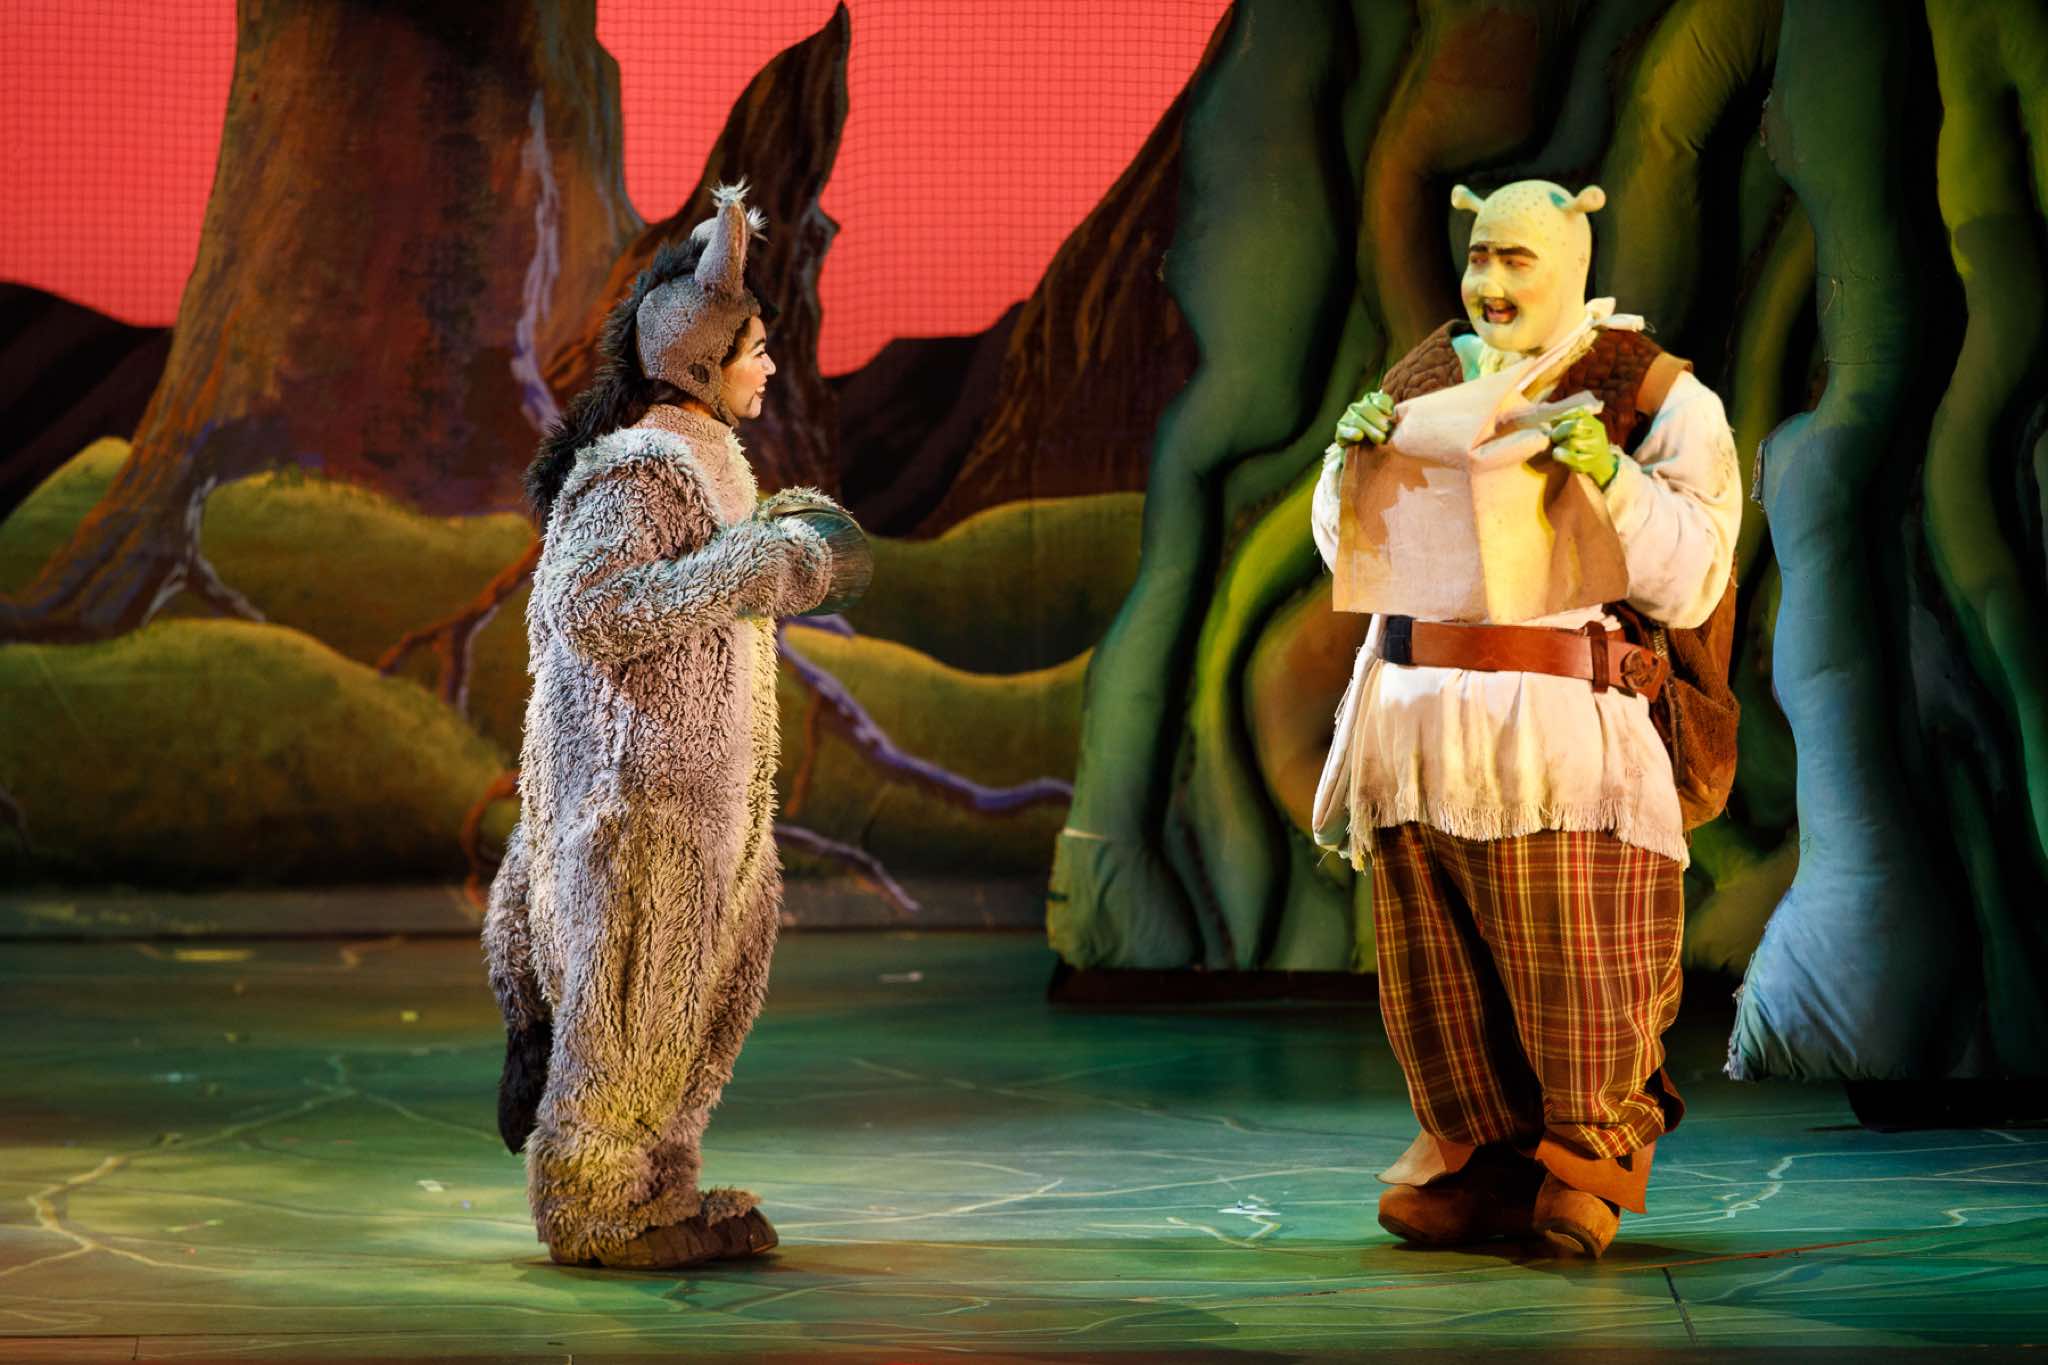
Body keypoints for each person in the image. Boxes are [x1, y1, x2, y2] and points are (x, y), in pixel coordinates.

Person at [1310, 180, 1741, 1257]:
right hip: (1418, 731)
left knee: (1577, 959)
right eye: (1479, 256)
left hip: (1561, 728)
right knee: (1438, 974)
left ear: (1570, 265)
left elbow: (1694, 577)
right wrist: (1347, 464)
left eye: (1516, 260)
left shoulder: (1651, 391)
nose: (1490, 283)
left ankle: (1587, 1162)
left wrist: (1613, 480)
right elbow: (1346, 552)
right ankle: (1484, 1160)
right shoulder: (1425, 378)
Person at [481, 182, 868, 1270]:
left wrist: (772, 560)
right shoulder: (638, 467)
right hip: (641, 807)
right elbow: (593, 608)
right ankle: (593, 1202)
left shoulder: (713, 459)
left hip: (712, 807)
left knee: (692, 1014)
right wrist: (750, 566)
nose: (770, 366)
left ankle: (658, 1189)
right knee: (630, 1011)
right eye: (755, 348)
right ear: (700, 360)